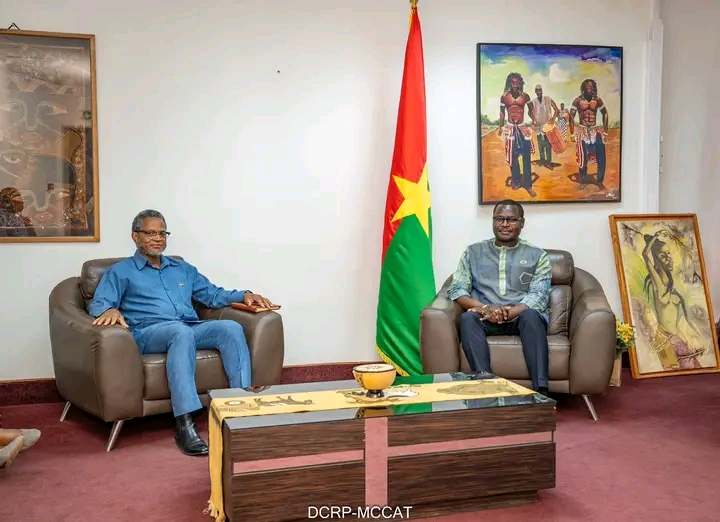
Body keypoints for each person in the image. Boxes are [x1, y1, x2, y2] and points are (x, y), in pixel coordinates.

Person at [88, 209, 276, 457]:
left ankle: (240, 411)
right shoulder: (120, 271)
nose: (158, 239)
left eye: (162, 233)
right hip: (147, 332)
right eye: (150, 233)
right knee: (180, 332)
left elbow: (213, 295)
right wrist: (109, 309)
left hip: (187, 327)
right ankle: (184, 423)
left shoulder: (182, 268)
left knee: (230, 328)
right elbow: (99, 303)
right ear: (135, 236)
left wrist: (244, 295)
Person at [447, 200, 552, 395]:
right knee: (468, 318)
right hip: (485, 316)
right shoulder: (473, 252)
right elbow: (457, 289)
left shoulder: (538, 255)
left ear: (522, 222)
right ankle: (486, 384)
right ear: (493, 221)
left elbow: (539, 295)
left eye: (511, 220)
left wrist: (510, 313)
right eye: (499, 219)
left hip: (520, 316)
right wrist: (485, 308)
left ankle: (541, 391)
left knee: (532, 315)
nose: (504, 224)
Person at [497, 72, 537, 198]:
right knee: (513, 156)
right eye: (513, 83)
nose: (515, 85)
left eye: (518, 83)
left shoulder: (525, 96)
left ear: (521, 84)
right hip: (510, 129)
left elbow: (531, 110)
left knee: (526, 156)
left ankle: (528, 185)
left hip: (522, 128)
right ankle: (516, 181)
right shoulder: (504, 97)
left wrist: (534, 122)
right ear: (509, 84)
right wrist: (500, 126)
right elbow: (502, 113)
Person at [569, 79, 609, 189]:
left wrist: (605, 132)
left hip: (594, 131)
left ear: (594, 88)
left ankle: (599, 181)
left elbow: (605, 113)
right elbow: (571, 116)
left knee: (601, 156)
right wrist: (572, 134)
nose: (589, 89)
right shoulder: (578, 101)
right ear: (583, 88)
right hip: (582, 131)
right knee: (583, 157)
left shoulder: (597, 100)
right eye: (587, 87)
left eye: (591, 87)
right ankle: (584, 180)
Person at [530, 84, 559, 169]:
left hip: (548, 127)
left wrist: (553, 119)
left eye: (540, 90)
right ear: (535, 92)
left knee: (548, 144)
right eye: (537, 90)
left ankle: (548, 162)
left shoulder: (548, 99)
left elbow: (556, 109)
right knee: (540, 144)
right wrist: (534, 120)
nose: (539, 92)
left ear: (542, 91)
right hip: (539, 127)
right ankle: (542, 160)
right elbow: (529, 112)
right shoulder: (533, 102)